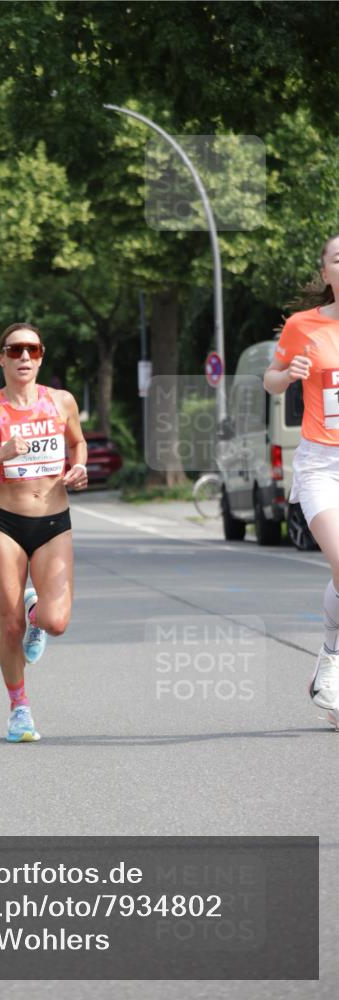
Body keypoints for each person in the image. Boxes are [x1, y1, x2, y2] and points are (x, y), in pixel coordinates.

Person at [0, 323, 88, 742]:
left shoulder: (61, 401)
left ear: (42, 356)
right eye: (15, 351)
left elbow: (77, 444)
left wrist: (79, 466)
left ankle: (37, 615)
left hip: (53, 522)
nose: (24, 357)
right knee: (8, 628)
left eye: (32, 350)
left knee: (56, 621)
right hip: (4, 523)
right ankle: (20, 709)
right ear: (1, 358)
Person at [264, 233, 339, 730]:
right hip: (322, 464)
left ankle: (330, 668)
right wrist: (288, 373)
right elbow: (269, 379)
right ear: (326, 271)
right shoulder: (303, 325)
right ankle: (332, 659)